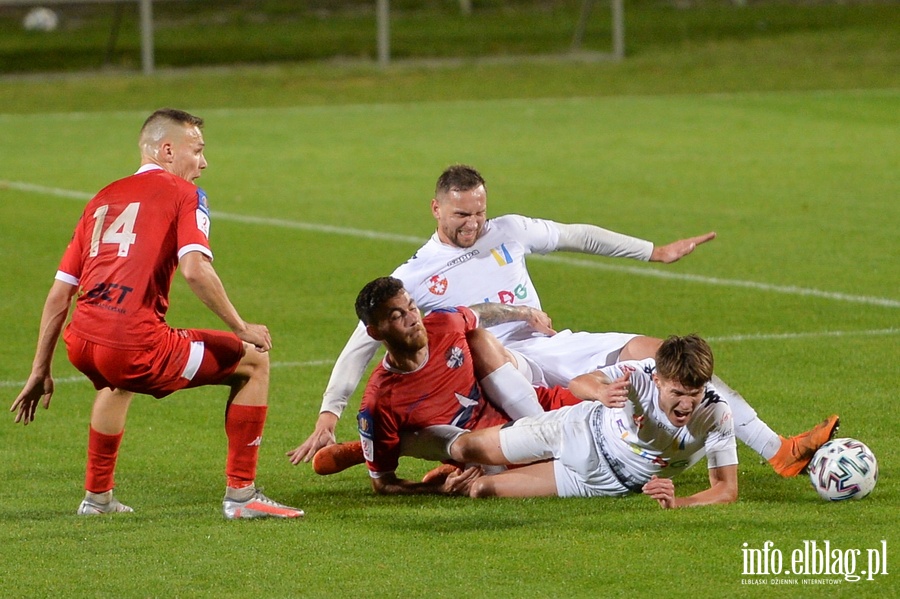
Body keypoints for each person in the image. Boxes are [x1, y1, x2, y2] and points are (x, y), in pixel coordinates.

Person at [292, 164, 837, 478]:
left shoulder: (507, 230)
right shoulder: (414, 276)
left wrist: (655, 252)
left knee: (667, 357)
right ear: (435, 208)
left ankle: (779, 450)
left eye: (479, 212)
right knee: (583, 420)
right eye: (461, 215)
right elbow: (359, 345)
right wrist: (328, 410)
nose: (473, 223)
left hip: (555, 342)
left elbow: (578, 234)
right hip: (504, 365)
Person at [10, 109, 303, 520]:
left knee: (114, 382)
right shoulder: (185, 194)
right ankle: (242, 496)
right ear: (167, 150)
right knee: (254, 360)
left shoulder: (103, 197)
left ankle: (97, 500)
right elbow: (195, 269)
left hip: (83, 342)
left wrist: (41, 368)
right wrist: (242, 327)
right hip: (133, 345)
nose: (203, 163)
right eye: (197, 151)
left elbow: (61, 292)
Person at [307, 276, 579, 495]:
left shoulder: (445, 325)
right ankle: (433, 461)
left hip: (531, 403)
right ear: (375, 332)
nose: (412, 318)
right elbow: (383, 483)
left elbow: (479, 313)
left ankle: (543, 431)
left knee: (479, 338)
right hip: (486, 452)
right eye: (396, 316)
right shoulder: (381, 403)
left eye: (412, 307)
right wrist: (433, 488)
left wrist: (525, 312)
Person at [444, 335, 746, 506]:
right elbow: (579, 382)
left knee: (479, 490)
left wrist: (680, 502)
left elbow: (725, 489)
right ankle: (401, 473)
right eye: (677, 392)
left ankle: (445, 483)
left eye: (695, 393)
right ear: (657, 379)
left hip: (598, 482)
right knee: (463, 448)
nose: (687, 404)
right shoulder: (638, 375)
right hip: (574, 430)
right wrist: (601, 392)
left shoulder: (715, 414)